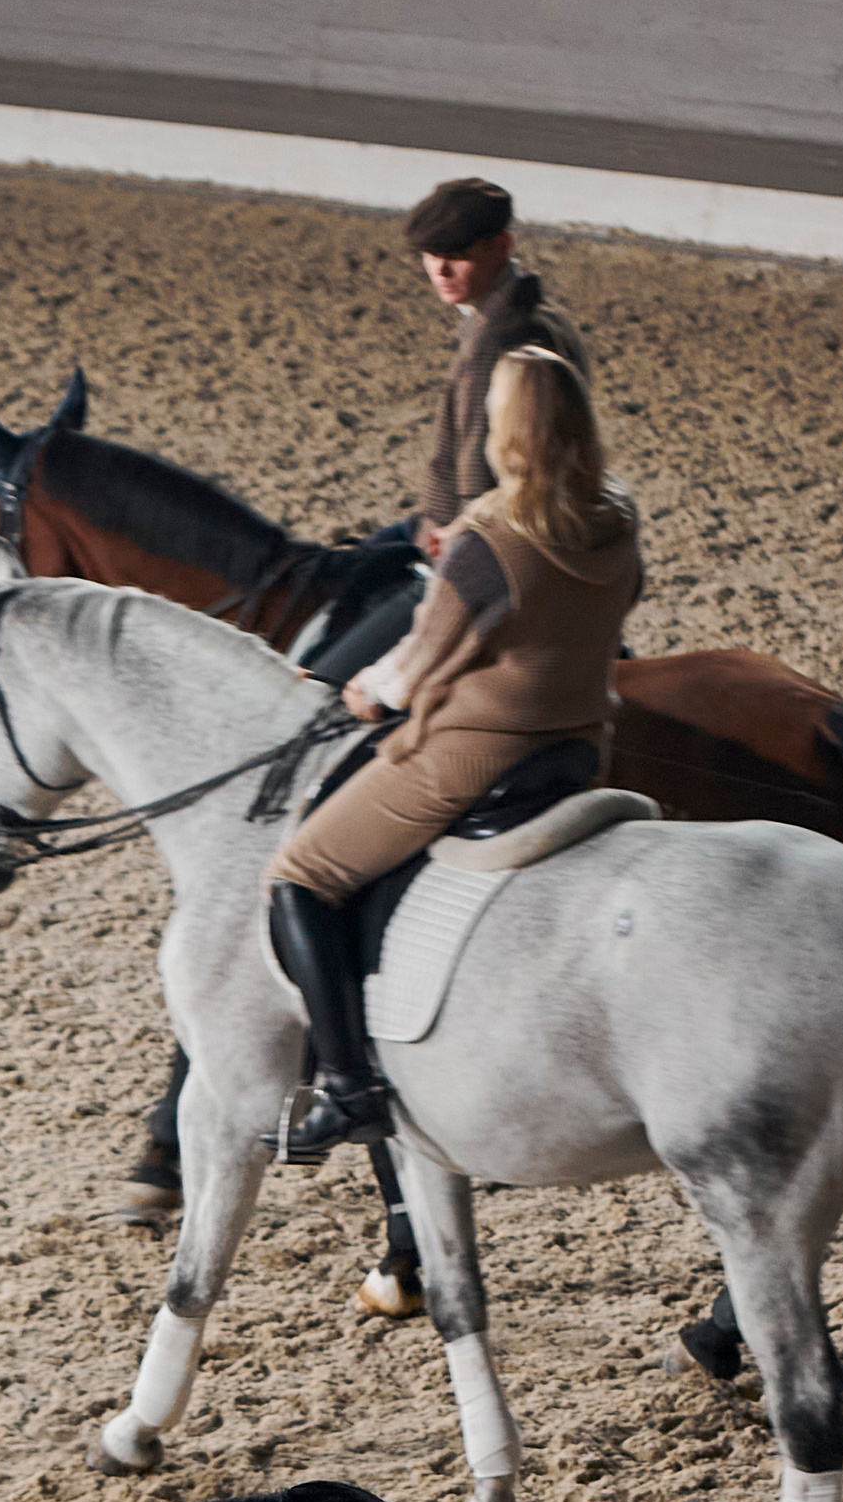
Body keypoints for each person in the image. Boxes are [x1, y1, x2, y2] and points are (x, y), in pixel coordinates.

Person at [266, 342, 644, 1159]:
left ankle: (346, 1087)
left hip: (477, 752)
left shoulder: (491, 536)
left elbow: (418, 662)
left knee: (301, 874)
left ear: (504, 432)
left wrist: (365, 689)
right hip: (579, 745)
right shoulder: (617, 516)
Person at [297, 177, 592, 693]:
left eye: (458, 255)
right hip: (445, 523)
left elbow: (483, 474)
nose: (441, 271)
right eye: (432, 256)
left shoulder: (501, 341)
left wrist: (453, 542)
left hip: (467, 543)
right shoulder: (525, 316)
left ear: (502, 246)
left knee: (324, 679)